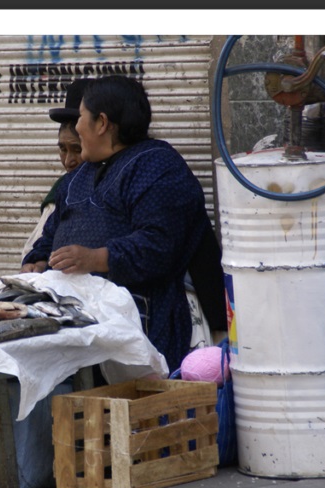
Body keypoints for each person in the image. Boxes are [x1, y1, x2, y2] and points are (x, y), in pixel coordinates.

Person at [21, 75, 223, 372]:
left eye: (81, 118)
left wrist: (96, 258)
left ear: (101, 123)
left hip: (136, 320)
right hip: (69, 311)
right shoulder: (77, 178)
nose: (76, 128)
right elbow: (51, 234)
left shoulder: (157, 166)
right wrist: (37, 260)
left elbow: (159, 246)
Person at [20, 79, 90, 267]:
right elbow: (35, 249)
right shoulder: (64, 189)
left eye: (77, 149)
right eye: (63, 149)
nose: (68, 161)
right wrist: (37, 262)